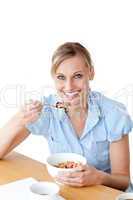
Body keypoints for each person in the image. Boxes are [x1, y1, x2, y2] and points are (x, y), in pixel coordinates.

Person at [0, 42, 133, 191]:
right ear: (54, 78)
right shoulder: (47, 110)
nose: (69, 87)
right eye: (61, 77)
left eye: (77, 76)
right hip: (67, 192)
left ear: (91, 73)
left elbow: (123, 181)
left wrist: (99, 177)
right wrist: (19, 118)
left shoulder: (114, 114)